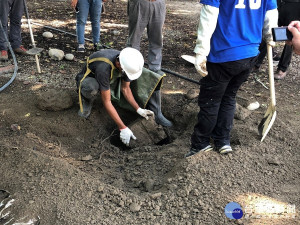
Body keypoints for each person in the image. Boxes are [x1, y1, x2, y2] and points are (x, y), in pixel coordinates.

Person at [185, 0, 278, 157]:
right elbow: (271, 14)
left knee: (211, 101)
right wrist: (270, 34)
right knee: (229, 97)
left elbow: (209, 15)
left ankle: (200, 144)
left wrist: (201, 51)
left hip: (223, 54)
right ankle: (222, 141)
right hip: (249, 54)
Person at [76, 47, 172, 146]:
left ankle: (107, 89)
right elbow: (107, 102)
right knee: (92, 88)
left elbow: (125, 89)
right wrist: (123, 128)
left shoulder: (127, 61)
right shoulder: (103, 68)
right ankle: (87, 99)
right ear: (118, 64)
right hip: (90, 79)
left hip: (109, 78)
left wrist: (138, 109)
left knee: (110, 86)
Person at [126, 0, 166, 75]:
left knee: (157, 39)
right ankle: (131, 68)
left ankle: (155, 68)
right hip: (139, 2)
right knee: (134, 39)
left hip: (158, 3)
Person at [273, 0, 300, 80]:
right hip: (278, 3)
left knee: (291, 35)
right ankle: (257, 62)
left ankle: (282, 68)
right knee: (269, 31)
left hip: (295, 5)